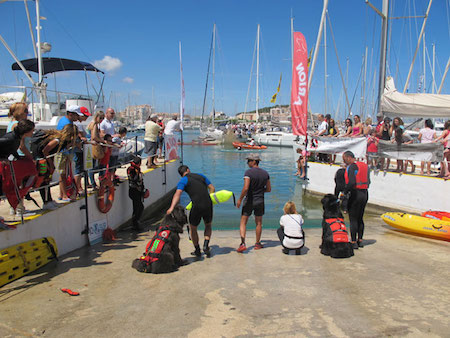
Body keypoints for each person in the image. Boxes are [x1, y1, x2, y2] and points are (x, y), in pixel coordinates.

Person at [167, 165, 215, 257]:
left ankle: (197, 250)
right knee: (208, 225)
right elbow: (212, 188)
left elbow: (178, 194)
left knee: (193, 228)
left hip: (197, 205)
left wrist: (172, 207)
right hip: (208, 204)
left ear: (181, 174)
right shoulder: (201, 176)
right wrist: (211, 197)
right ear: (188, 170)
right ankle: (206, 245)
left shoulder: (183, 180)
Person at [31, 124, 78, 210]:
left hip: (46, 159)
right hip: (42, 160)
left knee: (47, 180)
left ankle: (49, 200)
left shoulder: (62, 141)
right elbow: (45, 150)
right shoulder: (57, 140)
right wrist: (50, 164)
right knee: (44, 180)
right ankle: (46, 202)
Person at [236, 154, 271, 252]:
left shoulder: (248, 172)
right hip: (260, 200)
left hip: (250, 200)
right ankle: (257, 243)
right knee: (259, 222)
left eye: (249, 161)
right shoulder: (265, 173)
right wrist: (259, 191)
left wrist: (240, 199)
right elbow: (268, 189)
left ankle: (243, 243)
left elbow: (246, 188)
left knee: (243, 222)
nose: (247, 163)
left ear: (254, 162)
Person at [342, 151, 369, 249]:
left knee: (353, 218)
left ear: (349, 157)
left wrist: (345, 192)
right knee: (360, 217)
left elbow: (352, 182)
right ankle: (360, 240)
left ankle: (353, 242)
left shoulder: (352, 167)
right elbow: (368, 181)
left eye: (344, 159)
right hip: (365, 193)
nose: (344, 161)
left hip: (355, 193)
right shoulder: (365, 166)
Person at [73, 106, 91, 196]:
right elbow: (81, 136)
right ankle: (78, 187)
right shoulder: (78, 124)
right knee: (78, 169)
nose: (86, 118)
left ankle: (79, 187)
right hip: (78, 149)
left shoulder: (79, 124)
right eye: (85, 116)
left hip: (80, 149)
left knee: (80, 169)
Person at [127, 156, 147, 230]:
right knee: (137, 208)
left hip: (139, 191)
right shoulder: (130, 169)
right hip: (133, 191)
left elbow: (140, 181)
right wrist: (137, 173)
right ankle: (135, 224)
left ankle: (136, 222)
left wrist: (143, 189)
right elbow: (133, 179)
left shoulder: (137, 169)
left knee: (140, 207)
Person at [87, 111, 105, 189]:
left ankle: (90, 182)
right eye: (100, 118)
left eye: (102, 118)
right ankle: (93, 184)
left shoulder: (91, 124)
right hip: (93, 147)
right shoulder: (94, 125)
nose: (101, 120)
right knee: (92, 166)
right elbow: (94, 137)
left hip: (89, 146)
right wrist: (102, 141)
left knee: (90, 166)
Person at [100, 108, 118, 177]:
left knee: (113, 163)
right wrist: (111, 136)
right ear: (106, 113)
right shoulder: (103, 123)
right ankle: (105, 178)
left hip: (112, 145)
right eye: (111, 113)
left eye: (113, 113)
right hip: (107, 146)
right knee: (105, 164)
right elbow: (102, 134)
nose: (113, 115)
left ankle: (111, 177)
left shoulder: (111, 123)